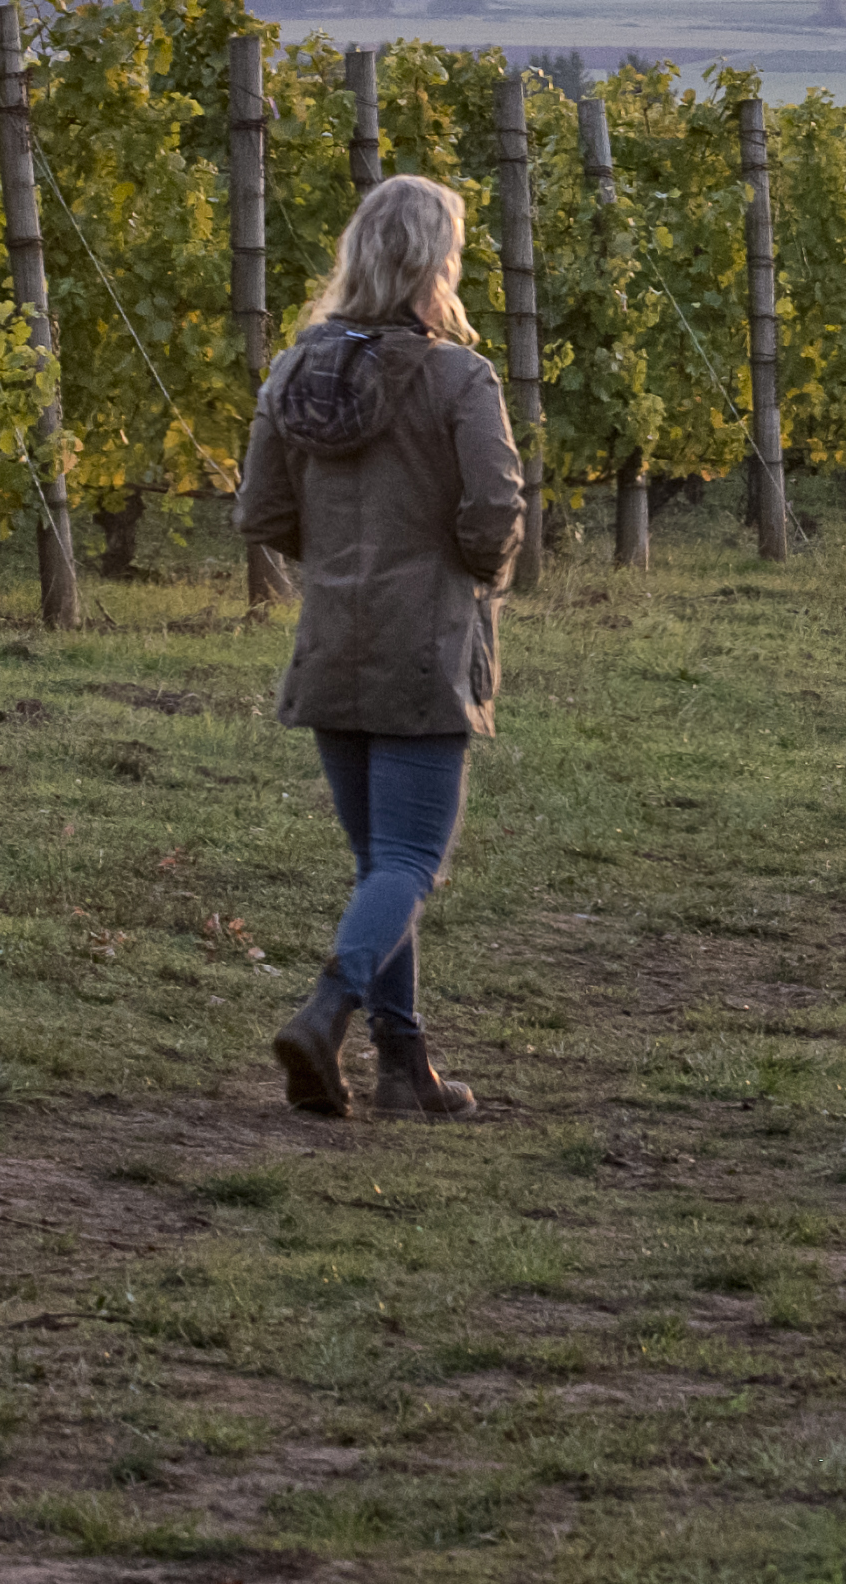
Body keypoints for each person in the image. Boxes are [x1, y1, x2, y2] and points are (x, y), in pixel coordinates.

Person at [234, 172, 525, 1119]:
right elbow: (493, 507)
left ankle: (405, 1069)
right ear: (435, 261)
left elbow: (263, 511)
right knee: (409, 860)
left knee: (378, 864)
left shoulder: (294, 371)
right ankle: (326, 1013)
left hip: (331, 639)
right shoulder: (456, 377)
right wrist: (470, 572)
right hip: (425, 641)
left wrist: (342, 567)